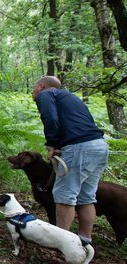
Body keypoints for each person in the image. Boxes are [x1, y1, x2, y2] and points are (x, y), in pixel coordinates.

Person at [32, 76, 108, 245]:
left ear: (41, 86)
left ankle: (61, 243)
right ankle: (84, 240)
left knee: (64, 195)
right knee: (86, 197)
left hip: (79, 148)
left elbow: (50, 119)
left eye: (33, 88)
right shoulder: (70, 97)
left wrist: (51, 145)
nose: (33, 92)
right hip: (99, 146)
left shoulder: (46, 94)